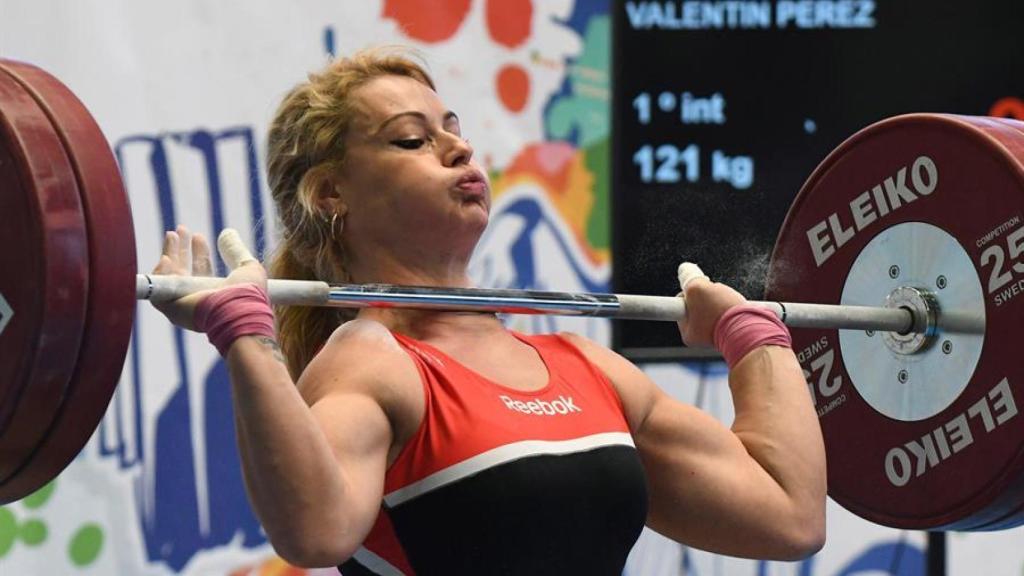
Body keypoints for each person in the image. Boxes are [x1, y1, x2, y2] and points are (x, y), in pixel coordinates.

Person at [151, 48, 826, 575]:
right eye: (411, 140)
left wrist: (751, 336)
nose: (459, 149)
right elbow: (313, 531)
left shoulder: (586, 368)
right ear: (331, 192)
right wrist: (246, 339)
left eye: (453, 129)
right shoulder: (372, 363)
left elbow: (787, 516)